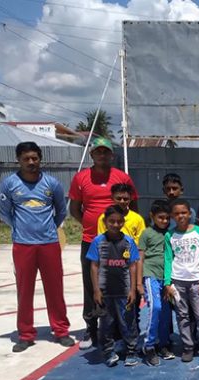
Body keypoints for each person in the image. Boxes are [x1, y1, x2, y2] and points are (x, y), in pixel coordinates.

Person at [0, 141, 72, 352]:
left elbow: (60, 211)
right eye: (26, 159)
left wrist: (48, 229)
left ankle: (61, 330)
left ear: (40, 159)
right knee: (24, 290)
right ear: (19, 160)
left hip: (49, 243)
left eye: (35, 158)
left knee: (55, 289)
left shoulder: (51, 184)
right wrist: (20, 229)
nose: (31, 162)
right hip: (23, 246)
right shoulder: (9, 184)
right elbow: (5, 212)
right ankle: (25, 334)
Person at [69, 137, 138, 350]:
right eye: (98, 152)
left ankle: (117, 329)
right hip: (92, 240)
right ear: (92, 154)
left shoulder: (122, 177)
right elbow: (75, 208)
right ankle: (91, 328)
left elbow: (133, 204)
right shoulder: (81, 178)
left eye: (106, 152)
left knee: (118, 285)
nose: (102, 155)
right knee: (91, 286)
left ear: (111, 154)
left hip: (119, 243)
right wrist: (91, 226)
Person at [86, 205, 140, 367]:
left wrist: (132, 290)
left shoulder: (129, 242)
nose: (115, 225)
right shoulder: (98, 241)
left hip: (124, 292)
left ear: (123, 222)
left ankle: (131, 351)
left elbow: (132, 266)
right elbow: (94, 266)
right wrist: (96, 290)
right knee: (106, 324)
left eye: (119, 221)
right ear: (105, 221)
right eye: (112, 221)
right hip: (105, 292)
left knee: (127, 322)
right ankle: (108, 351)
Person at [164, 199, 199, 363]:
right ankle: (188, 346)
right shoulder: (169, 235)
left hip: (196, 281)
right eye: (177, 213)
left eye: (184, 213)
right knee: (182, 316)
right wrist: (167, 282)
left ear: (190, 213)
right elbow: (168, 259)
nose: (181, 216)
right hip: (178, 282)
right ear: (172, 216)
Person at [136, 200, 174, 366]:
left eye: (167, 218)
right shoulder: (146, 233)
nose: (164, 221)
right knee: (155, 307)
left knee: (166, 312)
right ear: (152, 216)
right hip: (150, 275)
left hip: (166, 278)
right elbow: (140, 257)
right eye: (161, 218)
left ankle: (163, 344)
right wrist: (138, 282)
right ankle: (149, 345)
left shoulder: (171, 233)